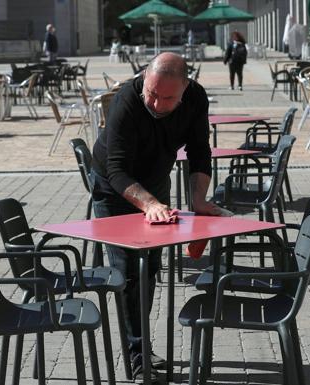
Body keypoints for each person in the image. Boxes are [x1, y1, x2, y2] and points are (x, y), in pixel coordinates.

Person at [91, 52, 223, 383]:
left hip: (154, 183)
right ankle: (137, 355)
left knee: (149, 267)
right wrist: (149, 204)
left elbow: (199, 150)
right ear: (145, 78)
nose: (156, 103)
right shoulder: (127, 100)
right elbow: (117, 169)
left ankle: (140, 345)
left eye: (168, 98)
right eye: (151, 92)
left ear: (186, 87)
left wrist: (198, 199)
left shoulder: (196, 97)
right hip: (114, 187)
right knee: (127, 270)